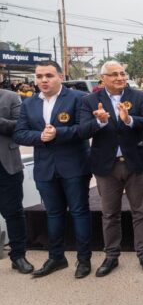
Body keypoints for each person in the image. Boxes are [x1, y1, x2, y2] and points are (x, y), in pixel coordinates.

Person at [13, 60, 92, 278]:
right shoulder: (29, 103)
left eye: (48, 75)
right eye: (39, 77)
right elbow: (19, 133)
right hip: (45, 168)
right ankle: (56, 258)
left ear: (60, 76)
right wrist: (39, 136)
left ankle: (84, 260)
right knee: (53, 214)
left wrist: (59, 132)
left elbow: (85, 129)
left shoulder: (77, 98)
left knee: (79, 212)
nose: (43, 80)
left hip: (74, 165)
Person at [79, 60, 143, 277]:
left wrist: (130, 119)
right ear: (103, 78)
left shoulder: (138, 96)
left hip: (136, 163)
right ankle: (111, 255)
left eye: (123, 73)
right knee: (109, 213)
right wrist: (101, 122)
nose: (120, 78)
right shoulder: (90, 100)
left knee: (140, 210)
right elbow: (83, 130)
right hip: (106, 166)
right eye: (114, 74)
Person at [0, 88, 33, 274]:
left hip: (6, 166)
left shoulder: (10, 97)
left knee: (13, 213)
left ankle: (18, 256)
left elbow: (19, 126)